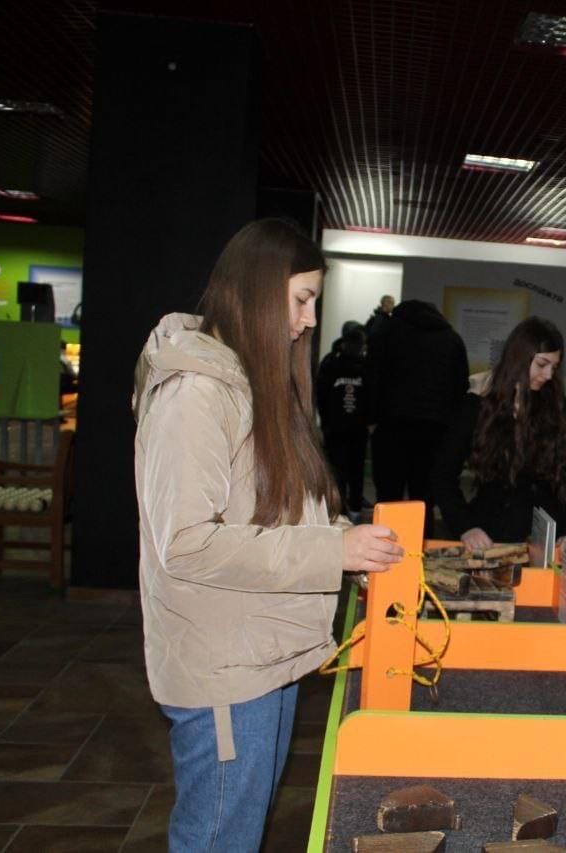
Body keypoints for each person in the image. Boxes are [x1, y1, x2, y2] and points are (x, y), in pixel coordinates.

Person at [132, 218, 404, 850]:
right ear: (257, 288)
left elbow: (280, 507)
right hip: (226, 666)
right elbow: (188, 543)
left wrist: (347, 541)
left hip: (261, 651)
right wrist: (333, 551)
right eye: (302, 299)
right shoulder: (196, 393)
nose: (310, 320)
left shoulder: (252, 382)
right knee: (219, 838)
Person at [432, 317, 566, 552]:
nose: (548, 375)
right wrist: (465, 527)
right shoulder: (477, 405)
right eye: (542, 364)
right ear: (519, 358)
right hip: (490, 534)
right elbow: (442, 474)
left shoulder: (561, 408)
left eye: (554, 367)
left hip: (546, 536)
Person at [367, 299, 469, 535]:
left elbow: (373, 377)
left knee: (388, 498)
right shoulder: (451, 339)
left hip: (392, 426)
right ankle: (422, 549)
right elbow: (460, 389)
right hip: (434, 431)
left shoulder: (388, 333)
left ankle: (384, 548)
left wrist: (371, 418)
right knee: (424, 499)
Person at [317, 322, 371, 517]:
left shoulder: (333, 361)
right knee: (347, 470)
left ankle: (345, 509)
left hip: (344, 427)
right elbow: (321, 394)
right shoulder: (337, 362)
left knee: (344, 470)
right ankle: (346, 509)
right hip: (345, 427)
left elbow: (321, 394)